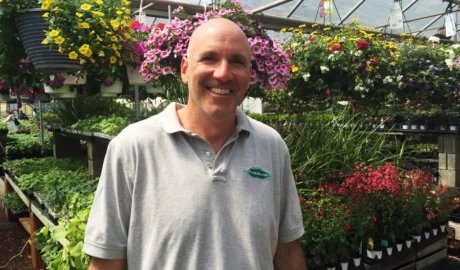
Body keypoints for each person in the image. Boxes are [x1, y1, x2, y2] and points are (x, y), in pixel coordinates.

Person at [83, 18, 306, 270]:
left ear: (249, 73)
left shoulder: (271, 146)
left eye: (237, 61)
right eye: (209, 58)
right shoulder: (133, 147)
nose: (223, 73)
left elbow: (287, 253)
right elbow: (107, 262)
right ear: (185, 69)